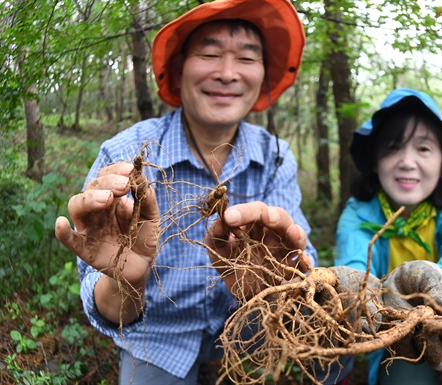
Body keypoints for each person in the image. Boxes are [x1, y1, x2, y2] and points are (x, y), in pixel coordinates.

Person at [55, 0, 350, 383]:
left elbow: (302, 267)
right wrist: (126, 281)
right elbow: (112, 310)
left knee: (331, 343)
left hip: (250, 318)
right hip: (159, 331)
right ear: (178, 70)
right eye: (209, 54)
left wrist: (282, 280)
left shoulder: (275, 156)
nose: (227, 73)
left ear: (263, 74)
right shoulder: (127, 157)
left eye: (246, 58)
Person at [335, 88, 442, 385]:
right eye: (392, 148)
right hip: (396, 329)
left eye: (423, 149)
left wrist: (441, 280)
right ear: (375, 162)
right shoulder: (358, 211)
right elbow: (353, 266)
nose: (407, 162)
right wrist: (358, 295)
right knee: (402, 379)